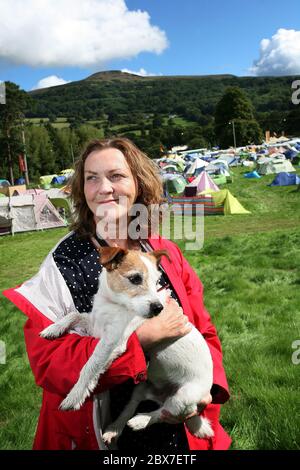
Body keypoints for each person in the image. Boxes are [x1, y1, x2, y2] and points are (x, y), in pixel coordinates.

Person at [3, 137, 231, 451]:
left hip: (175, 431)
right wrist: (139, 340)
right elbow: (48, 362)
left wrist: (206, 387)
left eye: (116, 176)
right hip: (94, 433)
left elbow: (203, 330)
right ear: (81, 190)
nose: (104, 188)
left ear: (139, 183)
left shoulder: (163, 253)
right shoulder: (61, 265)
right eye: (91, 178)